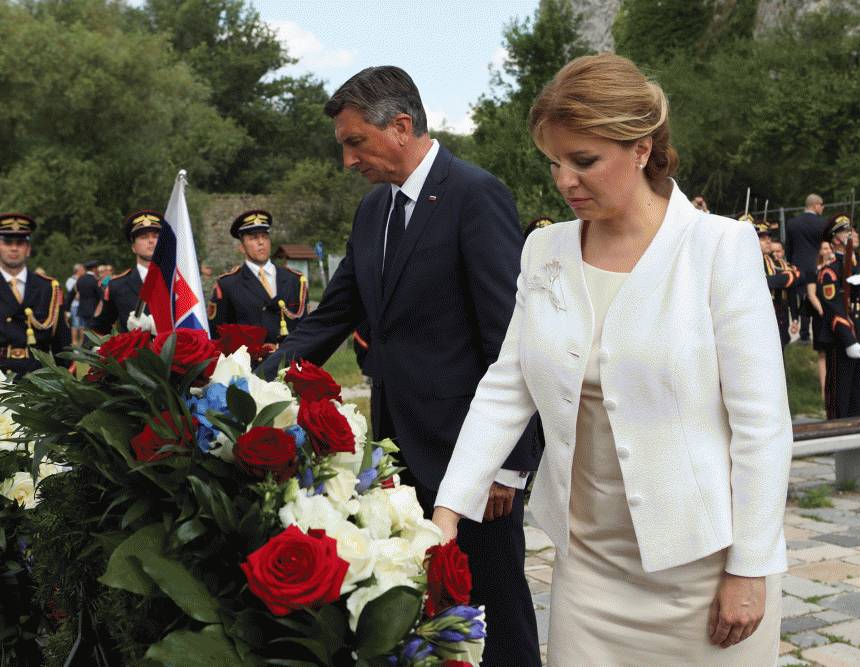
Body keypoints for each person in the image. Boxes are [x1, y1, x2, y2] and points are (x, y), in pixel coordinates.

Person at [432, 53, 790, 665]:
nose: (565, 179)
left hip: (705, 569)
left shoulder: (717, 248)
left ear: (643, 149)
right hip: (588, 569)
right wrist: (446, 513)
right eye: (554, 162)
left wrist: (749, 567)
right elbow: (506, 386)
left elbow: (762, 422)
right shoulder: (544, 249)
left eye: (584, 160)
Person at [256, 66, 542, 666]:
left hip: (469, 457)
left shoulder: (474, 194)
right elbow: (329, 319)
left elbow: (513, 340)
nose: (348, 161)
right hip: (395, 452)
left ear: (401, 126)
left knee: (497, 608)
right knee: (423, 610)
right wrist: (247, 380)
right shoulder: (372, 213)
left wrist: (508, 465)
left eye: (355, 142)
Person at [0, 214, 70, 377]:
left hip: (40, 380)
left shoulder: (48, 288)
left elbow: (63, 347)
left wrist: (65, 386)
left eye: (20, 243)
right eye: (7, 242)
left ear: (28, 249)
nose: (14, 248)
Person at [208, 210, 308, 345]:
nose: (261, 242)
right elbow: (217, 334)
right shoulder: (228, 285)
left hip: (291, 360)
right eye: (253, 238)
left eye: (265, 236)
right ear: (242, 247)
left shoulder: (294, 279)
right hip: (252, 364)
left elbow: (305, 327)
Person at [818, 214, 860, 419]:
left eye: (853, 230)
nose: (853, 234)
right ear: (835, 239)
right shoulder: (830, 272)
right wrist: (848, 339)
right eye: (846, 231)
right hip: (843, 337)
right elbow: (834, 307)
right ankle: (836, 435)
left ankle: (855, 439)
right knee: (841, 391)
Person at [90, 210, 161, 334]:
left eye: (155, 236)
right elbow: (100, 328)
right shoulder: (117, 285)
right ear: (133, 247)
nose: (151, 241)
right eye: (143, 237)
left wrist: (154, 326)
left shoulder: (179, 281)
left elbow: (193, 320)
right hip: (134, 353)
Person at [751, 217, 798, 349]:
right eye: (762, 238)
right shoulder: (747, 262)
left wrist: (794, 318)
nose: (768, 241)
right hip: (758, 318)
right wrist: (780, 280)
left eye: (769, 237)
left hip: (778, 315)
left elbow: (793, 279)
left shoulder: (775, 262)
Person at [785, 194, 826, 341]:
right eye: (821, 204)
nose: (823, 207)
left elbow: (788, 247)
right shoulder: (822, 224)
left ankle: (804, 334)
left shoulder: (792, 223)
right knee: (814, 296)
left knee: (802, 297)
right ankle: (819, 331)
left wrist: (790, 263)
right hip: (816, 265)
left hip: (798, 265)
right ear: (815, 205)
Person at [809, 240, 837, 393]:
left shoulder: (835, 268)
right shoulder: (813, 270)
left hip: (835, 316)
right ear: (819, 251)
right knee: (822, 354)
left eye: (829, 248)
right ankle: (824, 389)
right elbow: (812, 294)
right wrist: (823, 311)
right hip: (822, 317)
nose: (827, 251)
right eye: (824, 248)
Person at [74, 260, 100, 343]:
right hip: (93, 308)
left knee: (87, 328)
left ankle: (86, 345)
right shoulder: (95, 280)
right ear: (94, 269)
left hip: (83, 308)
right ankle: (87, 346)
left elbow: (77, 291)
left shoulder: (80, 279)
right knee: (91, 330)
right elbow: (100, 294)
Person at [64, 263, 84, 346]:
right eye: (82, 269)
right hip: (75, 305)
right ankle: (74, 343)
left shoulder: (83, 280)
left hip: (83, 305)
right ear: (78, 271)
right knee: (75, 325)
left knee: (83, 326)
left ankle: (83, 344)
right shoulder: (71, 280)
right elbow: (75, 295)